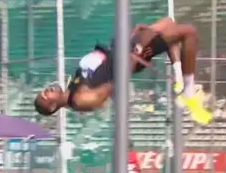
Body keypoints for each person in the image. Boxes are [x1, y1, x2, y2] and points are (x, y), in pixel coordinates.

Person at [33, 17, 212, 125]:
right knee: (188, 32)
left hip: (122, 49)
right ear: (52, 107)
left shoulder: (72, 86)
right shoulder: (80, 99)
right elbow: (115, 85)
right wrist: (135, 56)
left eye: (44, 91)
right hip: (129, 56)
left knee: (168, 23)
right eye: (45, 95)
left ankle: (180, 82)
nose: (47, 90)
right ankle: (187, 90)